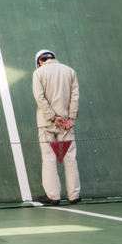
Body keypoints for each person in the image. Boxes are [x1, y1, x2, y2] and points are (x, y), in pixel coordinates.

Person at [32, 49, 80, 205]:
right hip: (66, 123)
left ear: (40, 61)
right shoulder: (70, 71)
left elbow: (40, 98)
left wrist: (53, 117)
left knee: (49, 158)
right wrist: (70, 118)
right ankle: (74, 195)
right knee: (70, 158)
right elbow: (75, 97)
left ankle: (53, 196)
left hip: (47, 123)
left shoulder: (38, 73)